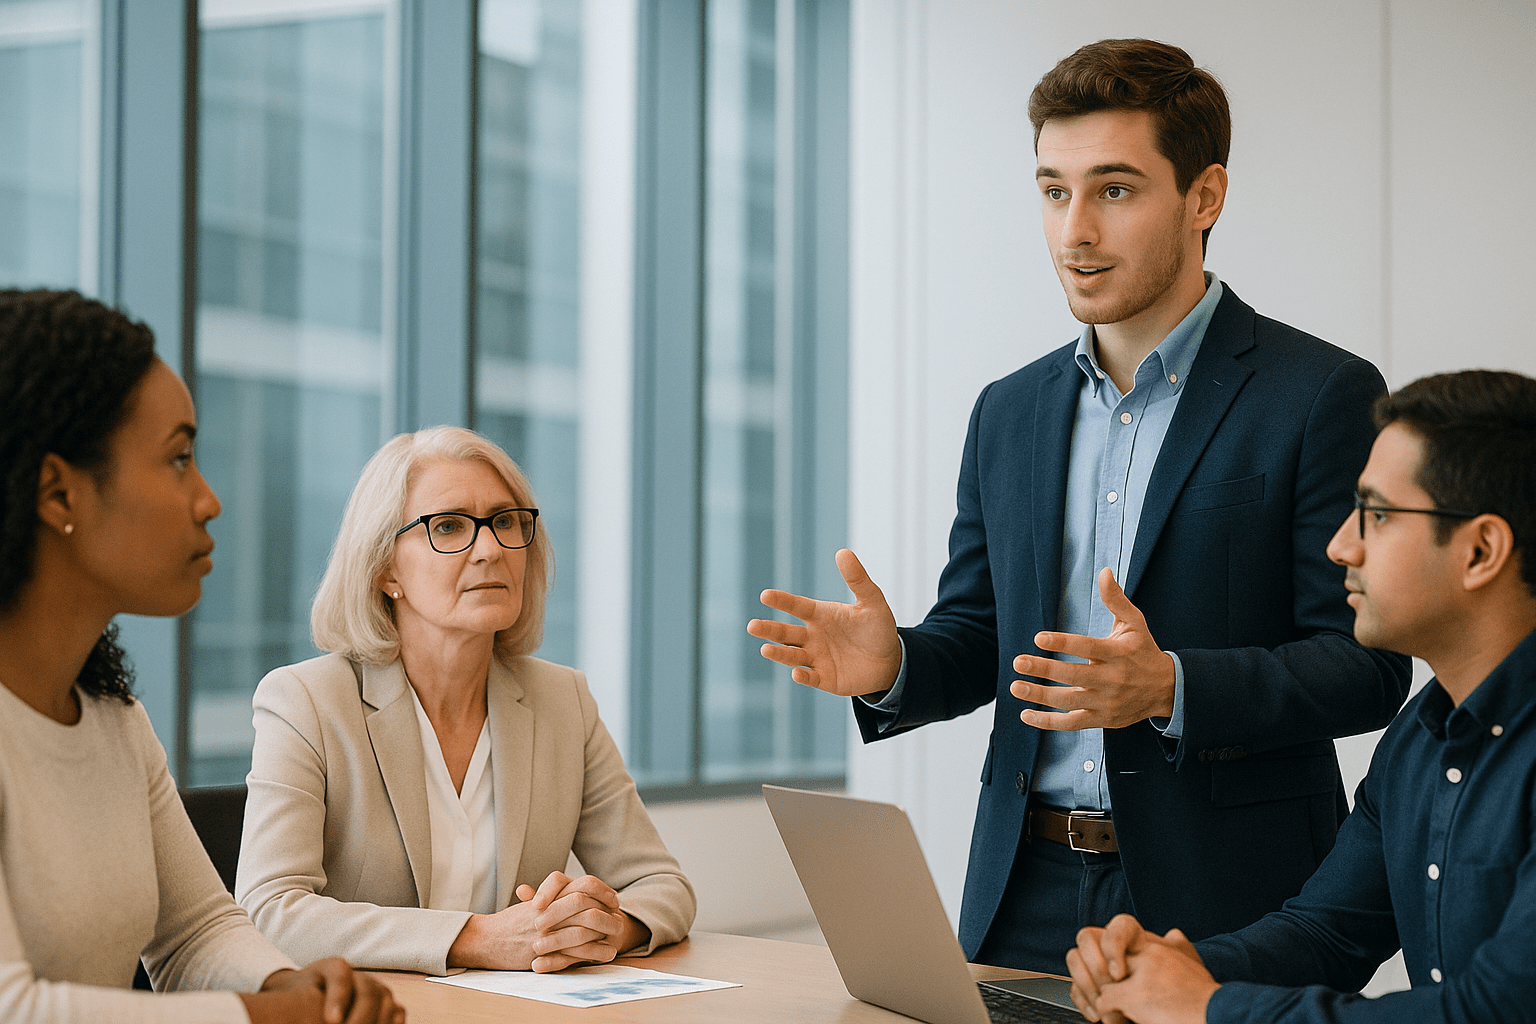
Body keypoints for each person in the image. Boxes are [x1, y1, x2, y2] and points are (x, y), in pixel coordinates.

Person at [747, 38, 1413, 971]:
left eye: (1114, 189)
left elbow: (1367, 669)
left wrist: (1169, 686)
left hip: (1231, 899)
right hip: (1024, 888)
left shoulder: (1320, 395)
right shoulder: (1008, 412)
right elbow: (982, 638)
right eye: (1054, 191)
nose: (1075, 232)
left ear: (1204, 197)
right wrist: (895, 664)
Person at [1067, 369, 1536, 1023]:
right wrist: (1164, 970)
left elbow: (1492, 1012)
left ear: (1481, 550)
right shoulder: (1417, 744)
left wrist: (1209, 1009)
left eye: (1375, 515)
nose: (1340, 545)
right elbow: (1325, 935)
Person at [0, 289, 402, 1023]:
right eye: (178, 459)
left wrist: (293, 986)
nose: (210, 499)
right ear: (59, 493)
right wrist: (268, 1018)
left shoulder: (114, 719)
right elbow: (14, 1008)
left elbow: (195, 932)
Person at [235, 426, 695, 975]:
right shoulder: (305, 701)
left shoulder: (562, 700)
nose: (490, 549)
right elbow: (270, 913)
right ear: (385, 570)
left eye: (505, 522)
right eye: (449, 526)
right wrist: (479, 938)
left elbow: (663, 886)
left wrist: (603, 927)